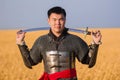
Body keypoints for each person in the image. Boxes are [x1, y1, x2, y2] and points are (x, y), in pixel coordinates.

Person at [16, 6, 102, 80]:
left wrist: (95, 43)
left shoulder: (75, 40)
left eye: (61, 19)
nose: (57, 23)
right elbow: (31, 62)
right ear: (48, 21)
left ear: (65, 20)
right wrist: (21, 43)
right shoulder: (41, 41)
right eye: (54, 19)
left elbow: (89, 61)